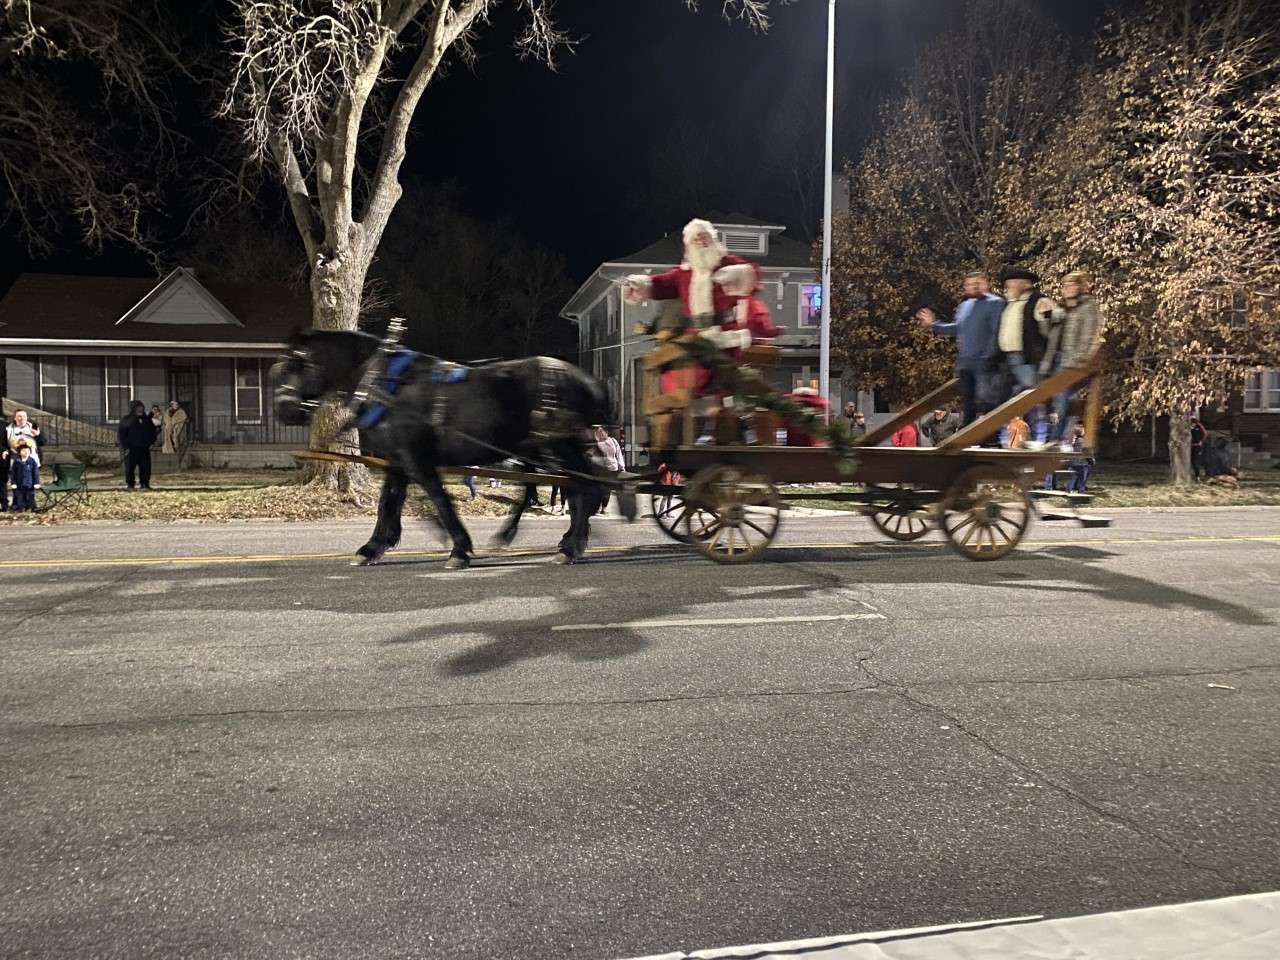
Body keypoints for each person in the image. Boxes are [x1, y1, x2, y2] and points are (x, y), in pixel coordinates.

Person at [918, 271, 1004, 426]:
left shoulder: (995, 303)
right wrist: (934, 324)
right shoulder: (964, 306)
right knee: (967, 402)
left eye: (976, 283)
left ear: (985, 283)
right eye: (970, 284)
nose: (973, 287)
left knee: (986, 401)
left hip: (984, 362)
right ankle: (968, 440)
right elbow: (956, 328)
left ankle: (991, 439)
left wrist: (989, 356)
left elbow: (996, 331)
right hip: (966, 362)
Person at [1040, 271, 1103, 443]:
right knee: (1055, 399)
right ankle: (1057, 436)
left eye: (1071, 285)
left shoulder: (1088, 306)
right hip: (1055, 358)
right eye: (1064, 286)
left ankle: (1056, 438)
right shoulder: (1062, 308)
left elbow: (1089, 335)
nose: (1066, 289)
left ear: (1080, 286)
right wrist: (1046, 317)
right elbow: (1047, 334)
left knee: (1062, 398)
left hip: (1072, 360)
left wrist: (1079, 360)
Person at [996, 267, 1055, 442]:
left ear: (1024, 284)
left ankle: (1038, 440)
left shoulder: (1038, 301)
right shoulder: (1009, 304)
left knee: (1034, 399)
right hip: (1007, 358)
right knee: (1005, 401)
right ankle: (1005, 441)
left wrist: (1046, 317)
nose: (1008, 287)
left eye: (1012, 283)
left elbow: (1049, 329)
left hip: (1026, 358)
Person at [118, 400, 158, 490]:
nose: (140, 410)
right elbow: (121, 435)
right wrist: (125, 447)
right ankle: (130, 485)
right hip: (131, 449)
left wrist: (152, 442)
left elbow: (152, 431)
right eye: (138, 409)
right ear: (133, 409)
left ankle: (144, 484)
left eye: (142, 408)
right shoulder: (127, 419)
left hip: (144, 448)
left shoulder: (146, 420)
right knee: (129, 468)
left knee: (145, 467)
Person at [593, 425, 623, 514]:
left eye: (602, 431)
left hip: (613, 468)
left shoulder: (613, 441)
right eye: (599, 432)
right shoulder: (597, 443)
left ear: (606, 432)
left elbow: (619, 454)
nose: (600, 433)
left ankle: (604, 508)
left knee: (608, 490)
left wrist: (622, 466)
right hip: (602, 470)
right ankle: (597, 507)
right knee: (600, 489)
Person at [8, 441, 40, 513]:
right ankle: (20, 508)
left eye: (28, 451)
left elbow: (36, 473)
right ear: (19, 452)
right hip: (19, 484)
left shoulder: (32, 461)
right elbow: (13, 473)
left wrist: (36, 482)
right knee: (20, 496)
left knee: (31, 496)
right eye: (23, 451)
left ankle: (33, 507)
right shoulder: (17, 462)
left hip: (30, 483)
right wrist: (13, 483)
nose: (26, 452)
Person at [1189, 415, 1208, 481]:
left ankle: (1198, 476)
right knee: (1191, 461)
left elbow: (1205, 434)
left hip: (1197, 446)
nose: (1193, 423)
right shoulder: (1188, 427)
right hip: (1190, 446)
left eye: (1194, 421)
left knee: (1196, 461)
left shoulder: (1199, 426)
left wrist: (1201, 442)